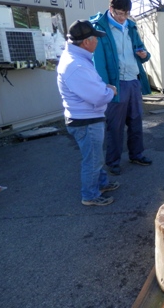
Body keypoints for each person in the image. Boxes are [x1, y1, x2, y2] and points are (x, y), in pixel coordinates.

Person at [57, 20, 120, 206]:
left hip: (86, 117)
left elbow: (93, 86)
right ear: (86, 42)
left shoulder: (77, 59)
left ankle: (101, 183)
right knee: (92, 159)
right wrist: (111, 91)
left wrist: (103, 87)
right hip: (86, 120)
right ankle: (90, 195)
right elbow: (98, 96)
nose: (97, 42)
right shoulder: (76, 65)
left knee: (95, 156)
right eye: (95, 38)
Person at [90, 0, 152, 176]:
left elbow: (144, 52)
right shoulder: (99, 27)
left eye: (126, 13)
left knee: (136, 121)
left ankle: (137, 154)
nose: (122, 17)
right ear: (110, 9)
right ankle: (113, 161)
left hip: (133, 81)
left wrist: (144, 55)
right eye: (119, 13)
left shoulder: (131, 26)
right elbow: (98, 61)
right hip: (115, 84)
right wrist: (105, 86)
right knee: (115, 125)